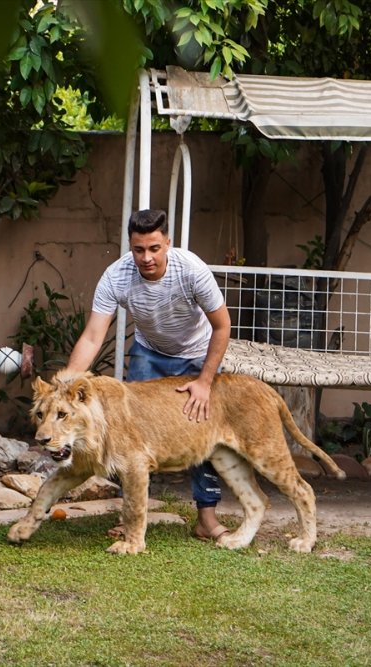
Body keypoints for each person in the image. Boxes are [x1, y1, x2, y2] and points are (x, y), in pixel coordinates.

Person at [64, 208, 233, 544]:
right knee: (130, 439)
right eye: (138, 249)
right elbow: (93, 337)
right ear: (130, 246)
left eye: (154, 248)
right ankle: (132, 520)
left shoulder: (191, 270)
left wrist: (205, 382)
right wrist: (66, 386)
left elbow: (222, 326)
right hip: (149, 354)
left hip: (197, 355)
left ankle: (207, 519)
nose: (146, 258)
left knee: (203, 432)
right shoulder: (116, 276)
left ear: (167, 243)